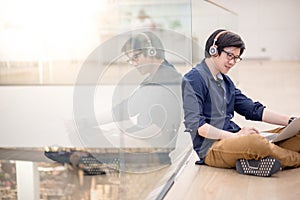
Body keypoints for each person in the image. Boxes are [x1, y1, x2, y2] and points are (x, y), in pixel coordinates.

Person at [182, 29, 300, 177]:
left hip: (234, 138)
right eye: (229, 55)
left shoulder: (225, 81)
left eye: (236, 58)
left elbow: (252, 109)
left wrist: (291, 121)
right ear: (214, 50)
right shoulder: (193, 79)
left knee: (297, 133)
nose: (232, 62)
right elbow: (199, 127)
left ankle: (257, 160)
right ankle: (292, 159)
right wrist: (237, 137)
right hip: (212, 147)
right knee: (256, 143)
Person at [112, 31, 182, 163]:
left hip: (156, 155)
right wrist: (89, 120)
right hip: (146, 145)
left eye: (136, 57)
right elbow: (128, 107)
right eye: (130, 60)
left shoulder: (169, 80)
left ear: (152, 52)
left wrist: (121, 137)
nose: (134, 63)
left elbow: (157, 130)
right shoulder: (152, 79)